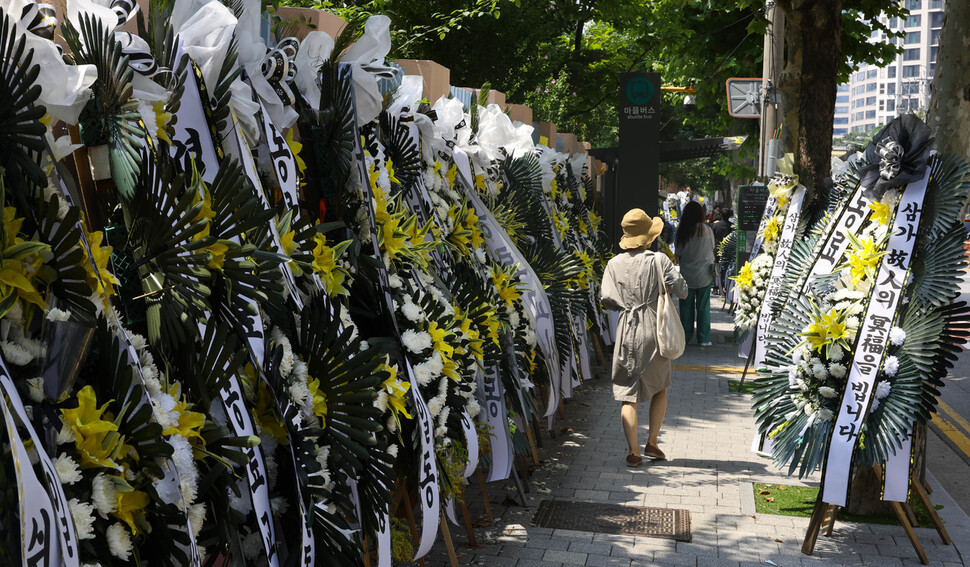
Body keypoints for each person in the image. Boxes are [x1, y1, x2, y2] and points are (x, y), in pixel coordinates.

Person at [601, 209, 688, 467]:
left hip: (627, 330)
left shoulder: (613, 264)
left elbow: (606, 299)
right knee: (660, 386)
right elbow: (682, 289)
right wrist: (667, 288)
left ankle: (633, 451)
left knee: (629, 394)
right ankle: (652, 442)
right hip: (655, 328)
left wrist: (627, 304)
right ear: (648, 238)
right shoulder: (659, 260)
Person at [675, 201, 716, 346]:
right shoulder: (707, 230)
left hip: (686, 274)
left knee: (686, 307)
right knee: (703, 307)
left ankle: (685, 337)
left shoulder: (682, 230)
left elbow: (678, 253)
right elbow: (712, 248)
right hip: (704, 274)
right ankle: (704, 339)